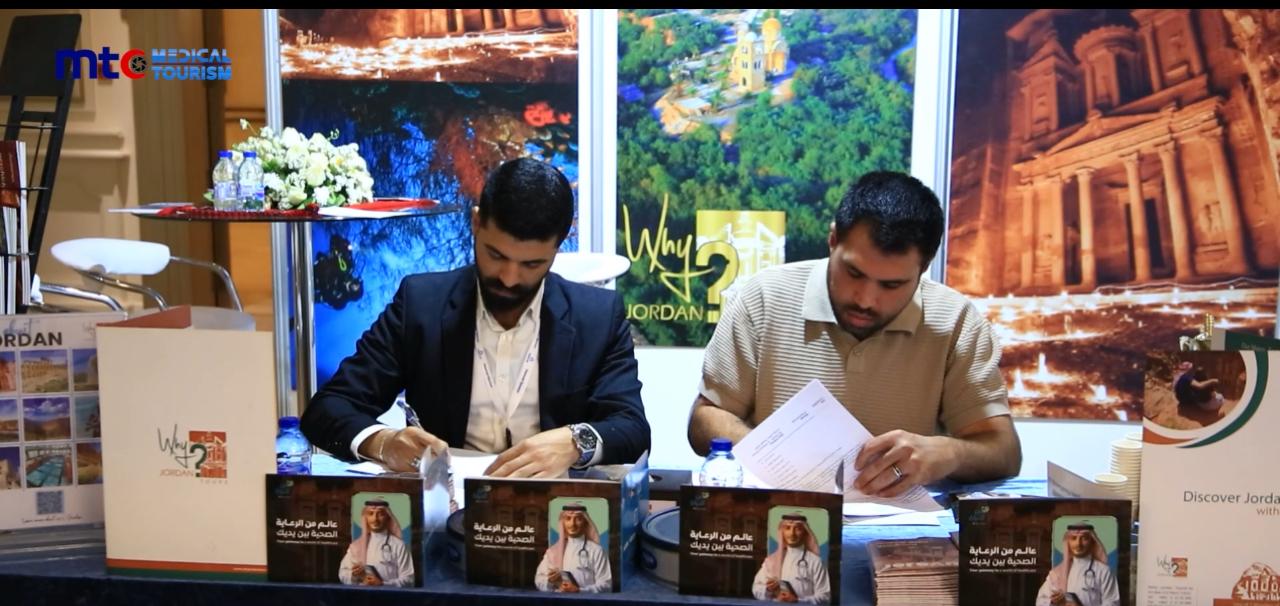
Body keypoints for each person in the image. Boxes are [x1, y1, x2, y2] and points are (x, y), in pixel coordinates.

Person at [301, 158, 650, 477]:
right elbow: (328, 409)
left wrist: (576, 441)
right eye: (496, 255)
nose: (509, 278)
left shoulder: (597, 316)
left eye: (531, 264)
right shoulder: (421, 304)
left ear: (560, 244)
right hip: (445, 507)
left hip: (556, 506)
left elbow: (632, 428)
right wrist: (383, 443)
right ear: (476, 222)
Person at [688, 171, 1021, 497]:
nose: (866, 300)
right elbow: (705, 419)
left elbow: (1003, 451)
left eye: (892, 285)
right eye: (854, 272)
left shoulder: (956, 321)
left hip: (904, 526)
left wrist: (950, 454)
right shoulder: (764, 298)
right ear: (833, 240)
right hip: (781, 512)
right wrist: (776, 459)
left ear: (925, 265)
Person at [1035, 522, 1120, 606]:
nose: (1078, 544)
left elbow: (1113, 602)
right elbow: (1041, 601)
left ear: (1092, 542)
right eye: (1073, 538)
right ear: (1068, 542)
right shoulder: (1057, 574)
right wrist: (1053, 602)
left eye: (1084, 539)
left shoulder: (1103, 571)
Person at [752, 513, 830, 603]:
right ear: (782, 532)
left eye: (797, 529)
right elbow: (756, 589)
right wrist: (768, 589)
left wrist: (798, 601)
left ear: (805, 533)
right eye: (788, 528)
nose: (792, 533)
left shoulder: (815, 562)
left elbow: (825, 597)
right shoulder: (771, 561)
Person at [535, 503, 612, 593]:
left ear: (585, 523)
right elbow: (539, 581)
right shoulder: (553, 552)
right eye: (568, 519)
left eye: (578, 519)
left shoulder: (596, 551)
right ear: (563, 523)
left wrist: (579, 591)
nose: (572, 524)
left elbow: (606, 585)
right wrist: (550, 582)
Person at [338, 498, 414, 587]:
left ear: (388, 518)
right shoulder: (356, 546)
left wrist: (383, 584)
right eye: (371, 514)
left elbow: (409, 579)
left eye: (380, 514)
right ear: (365, 518)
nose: (375, 519)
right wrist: (354, 576)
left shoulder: (399, 545)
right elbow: (342, 574)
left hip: (389, 595)